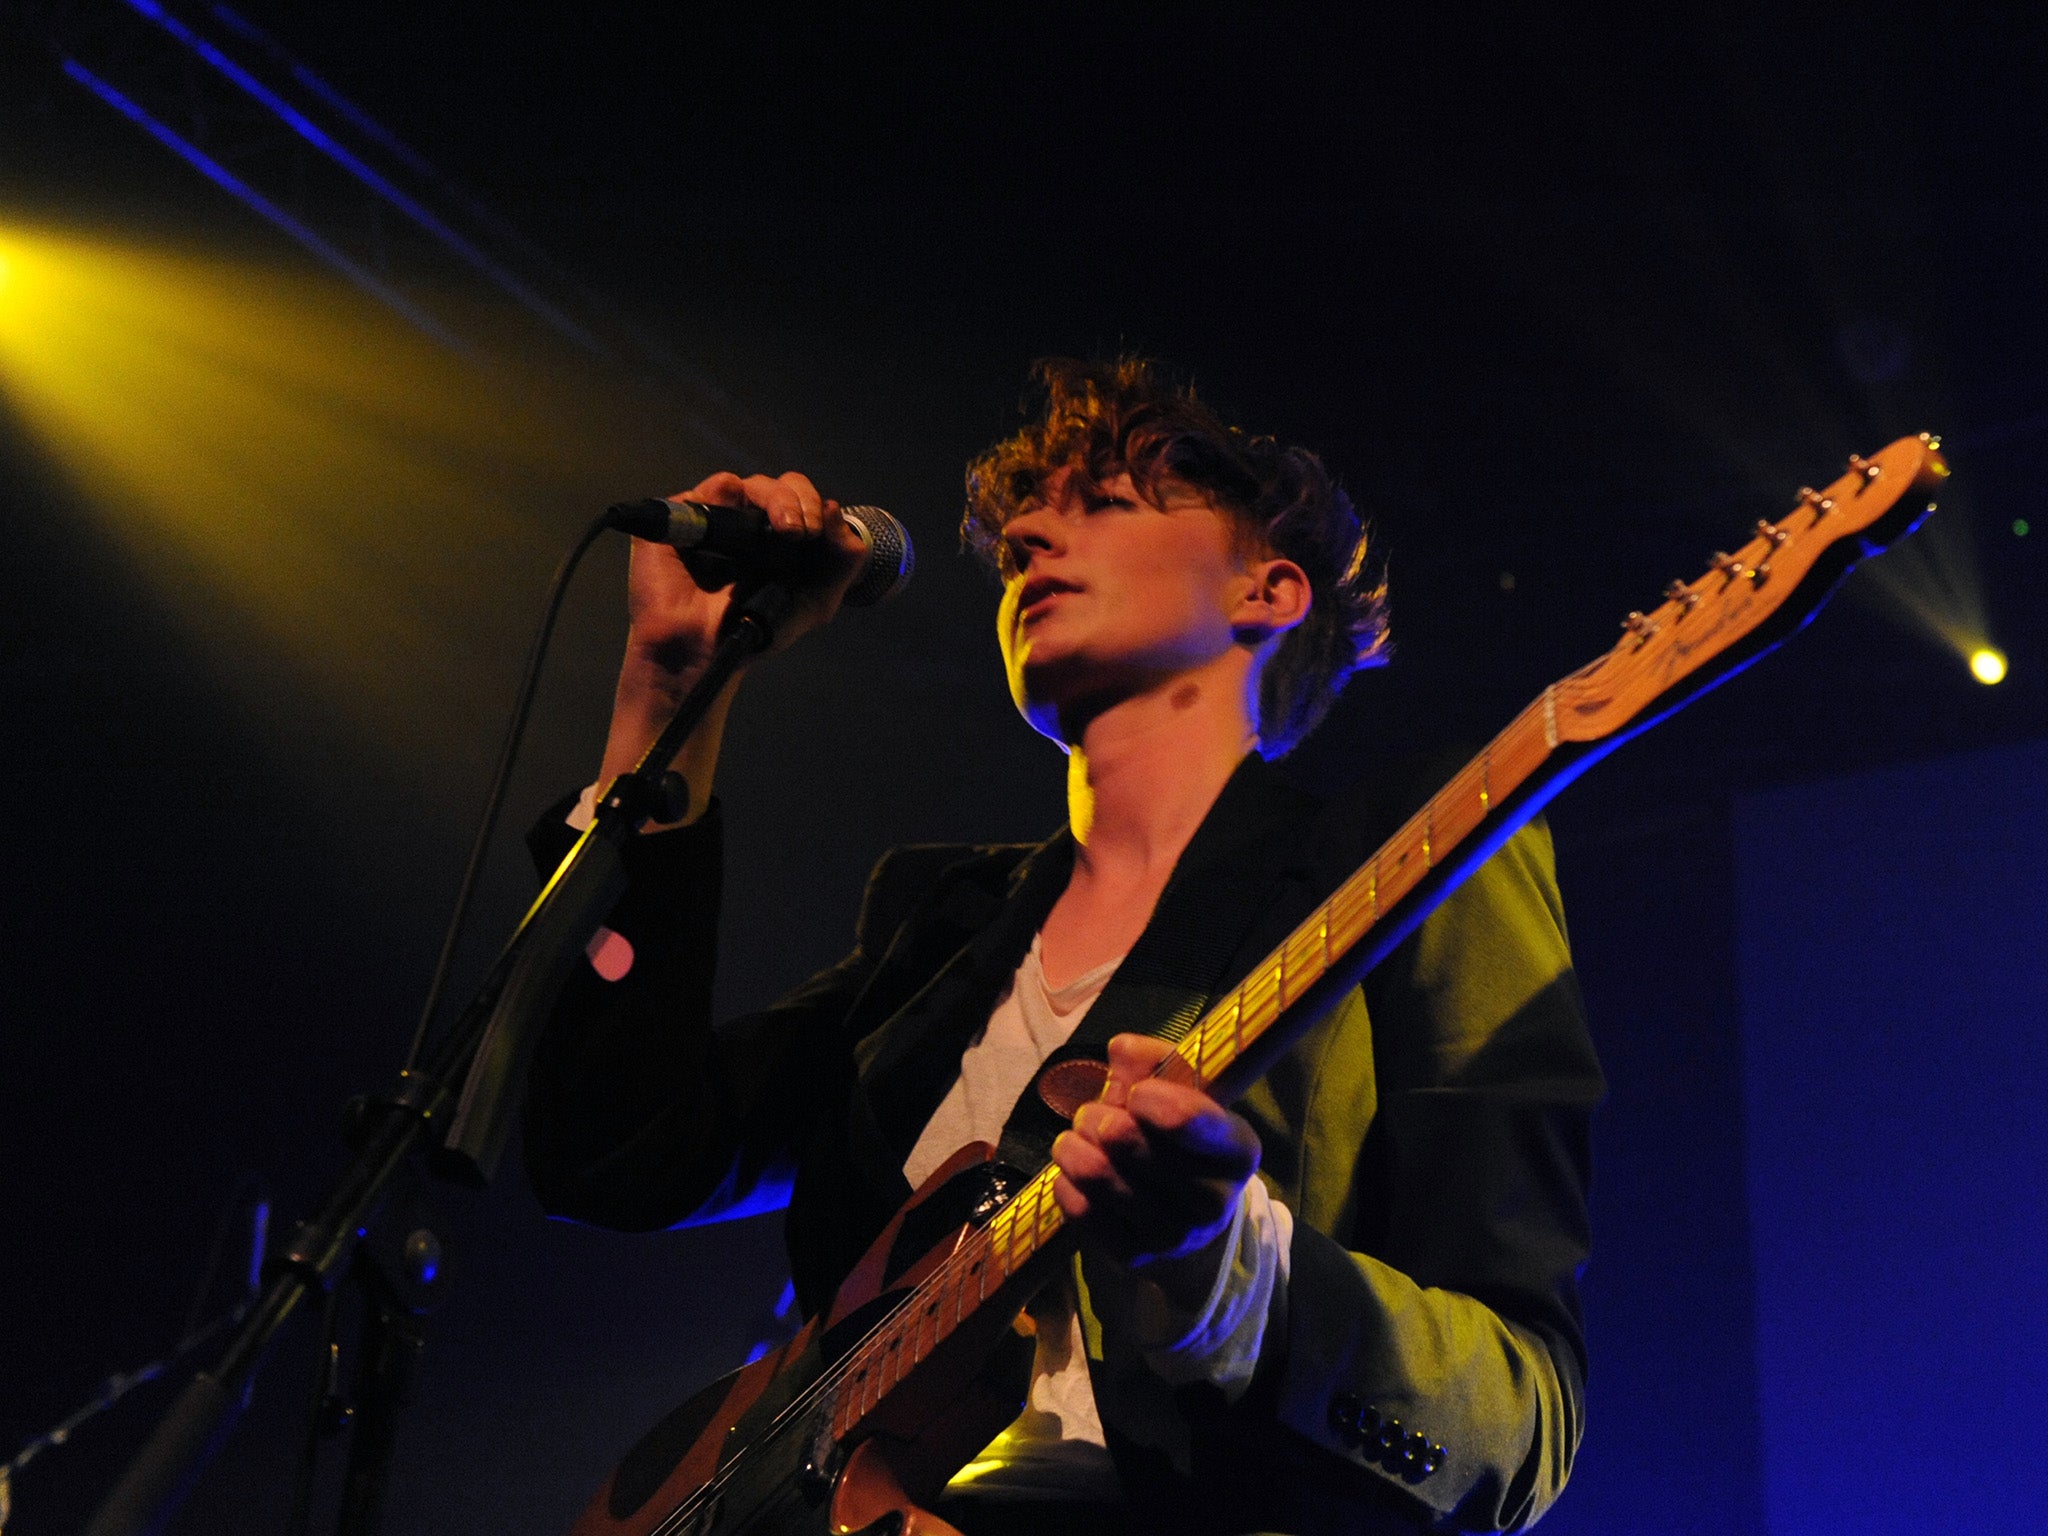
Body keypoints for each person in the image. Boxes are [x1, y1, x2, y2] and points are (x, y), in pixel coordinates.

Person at [522, 359, 1603, 1535]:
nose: (1027, 532)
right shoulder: (936, 929)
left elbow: (1520, 1415)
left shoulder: (1417, 862)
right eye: (1024, 519)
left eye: (1104, 499)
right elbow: (614, 1152)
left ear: (1269, 589)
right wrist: (668, 689)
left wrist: (1226, 1265)